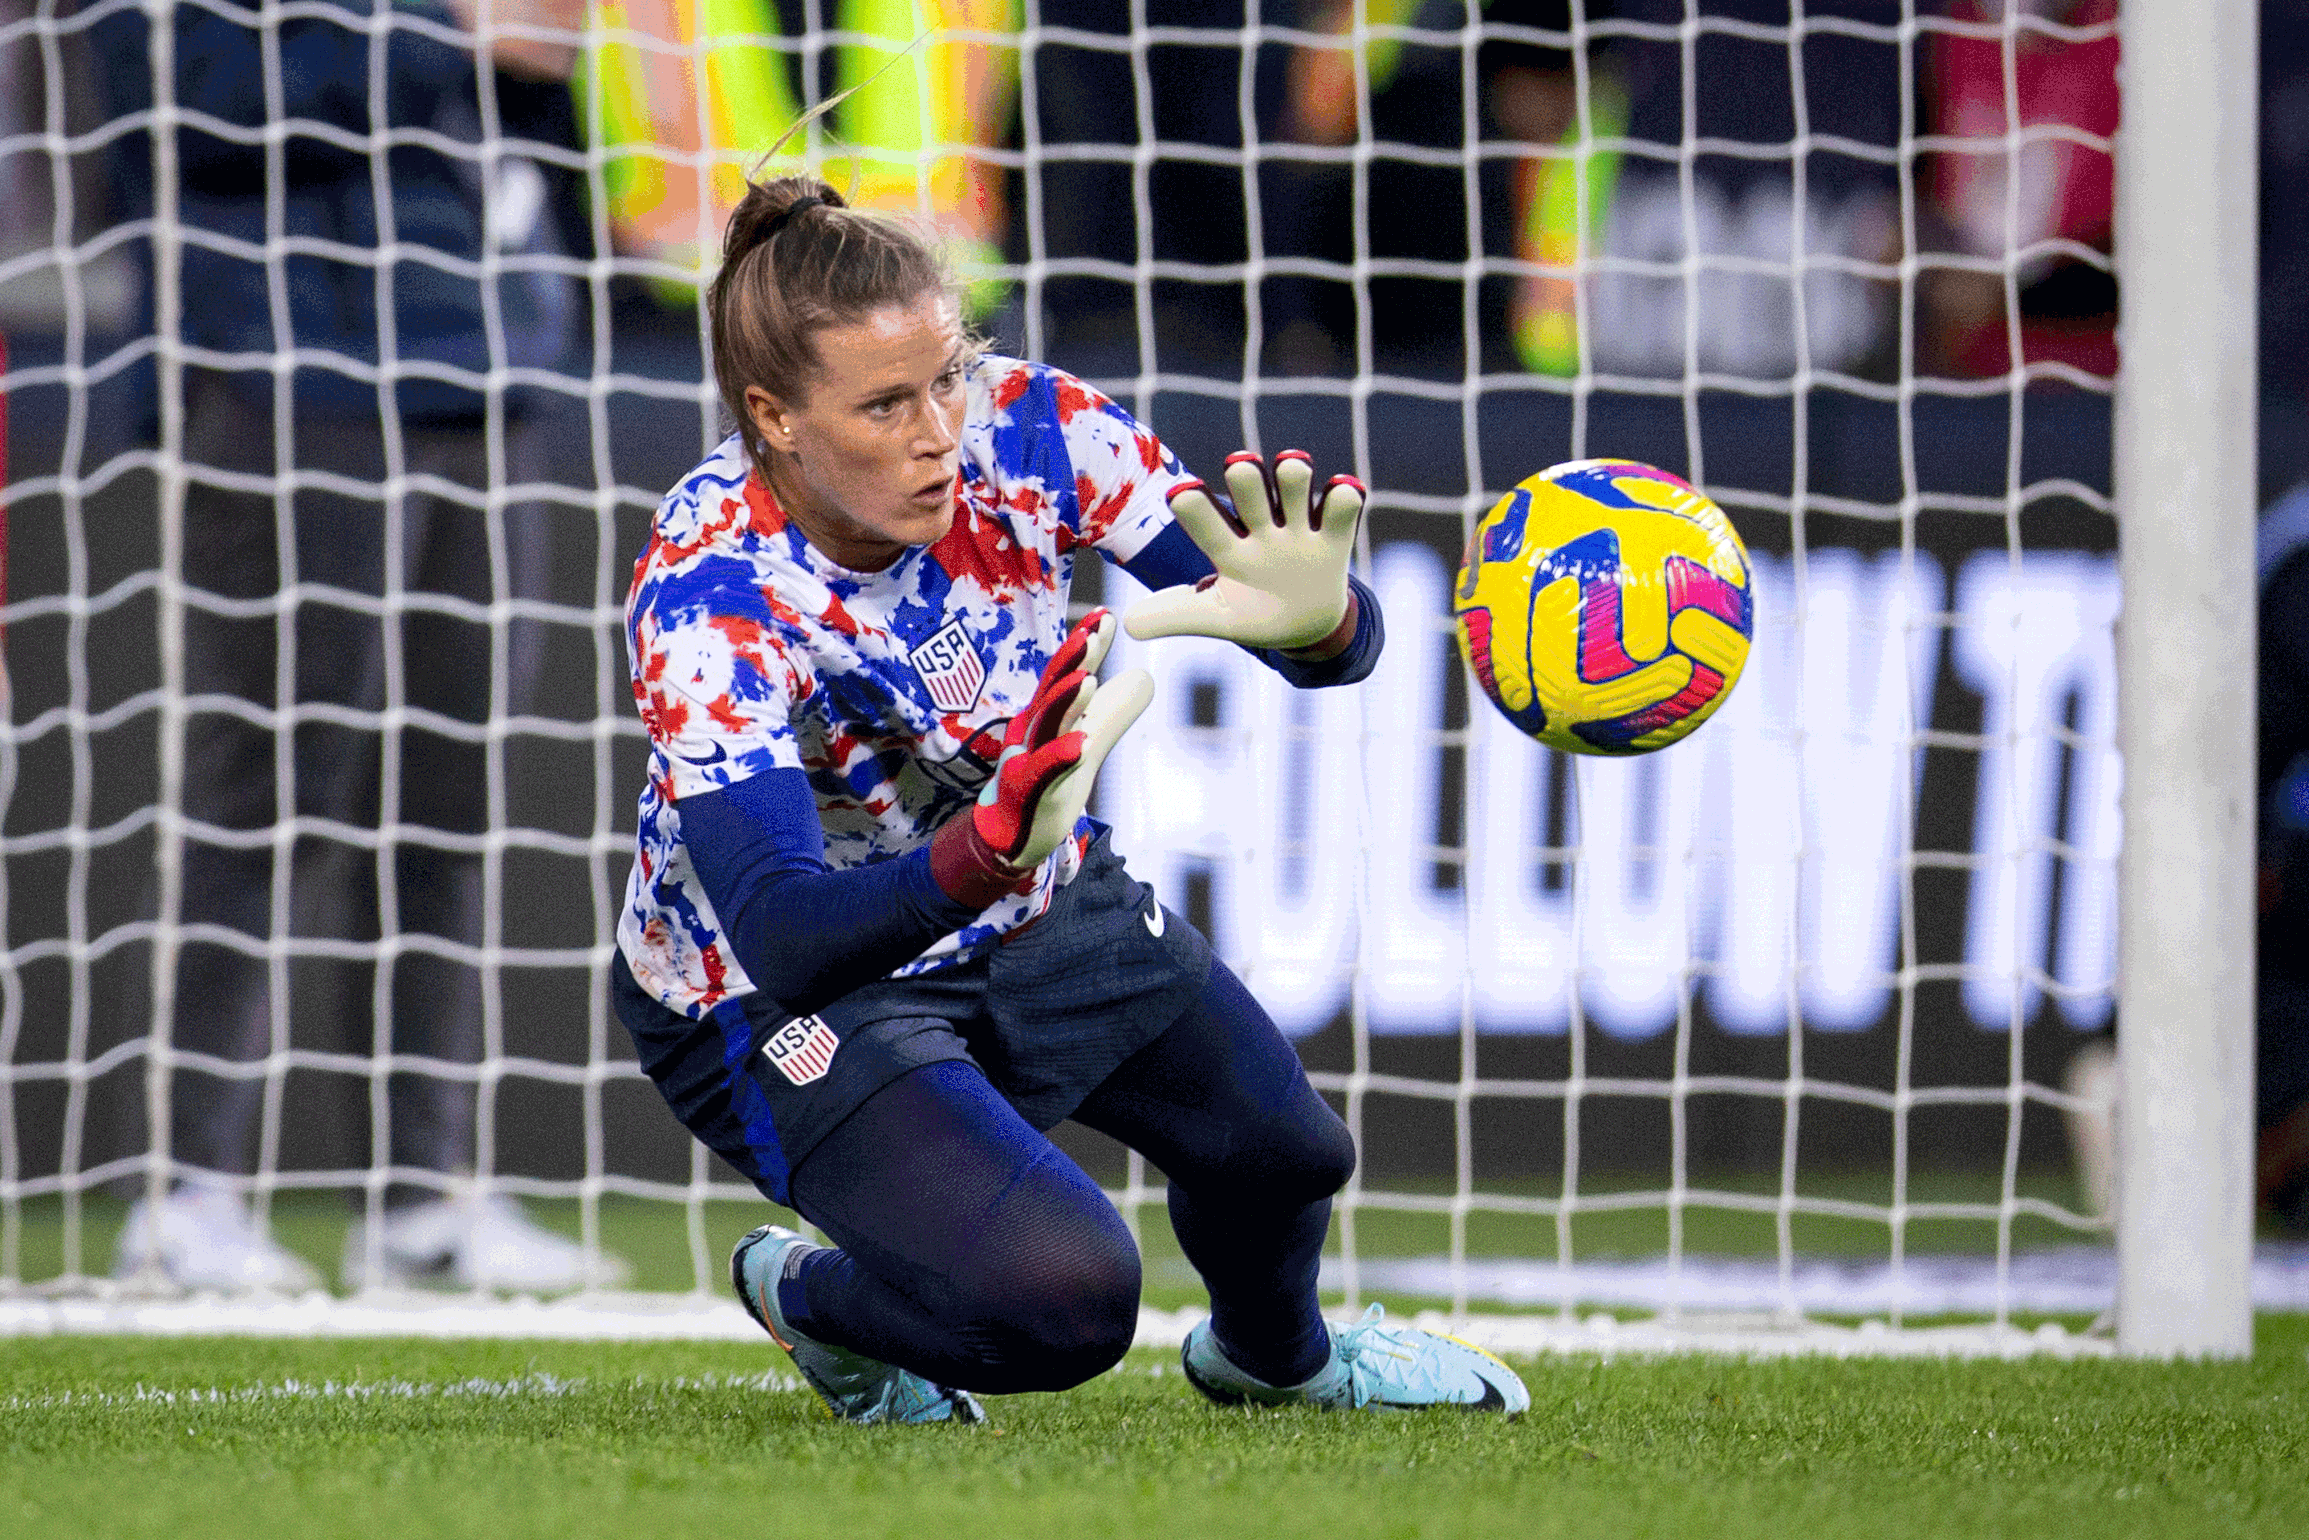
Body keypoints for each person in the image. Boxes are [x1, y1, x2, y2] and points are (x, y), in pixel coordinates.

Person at [613, 172, 1532, 1420]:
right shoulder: (707, 586)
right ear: (773, 416)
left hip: (1027, 896)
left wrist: (1331, 626)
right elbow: (780, 928)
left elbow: (1273, 608)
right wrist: (985, 848)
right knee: (1066, 1304)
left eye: (947, 374)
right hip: (775, 988)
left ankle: (1279, 1361)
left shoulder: (1035, 429)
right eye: (886, 404)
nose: (939, 428)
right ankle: (809, 1297)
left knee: (1290, 1155)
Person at [92, 0, 627, 1293]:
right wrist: (454, 37)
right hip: (292, 369)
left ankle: (423, 1201)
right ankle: (186, 1193)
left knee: (450, 806)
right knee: (269, 790)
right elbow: (185, 98)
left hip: (484, 369)